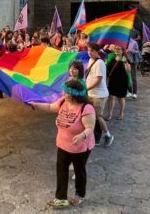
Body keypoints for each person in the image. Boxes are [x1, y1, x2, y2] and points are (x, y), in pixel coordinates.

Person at [29, 80, 95, 208]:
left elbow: (90, 127)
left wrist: (82, 135)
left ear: (75, 94)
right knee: (61, 170)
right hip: (63, 144)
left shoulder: (86, 108)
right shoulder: (63, 102)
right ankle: (61, 198)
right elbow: (49, 107)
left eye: (67, 92)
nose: (64, 93)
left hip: (80, 147)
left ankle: (79, 195)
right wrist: (35, 105)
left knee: (79, 171)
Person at [85, 42, 114, 146]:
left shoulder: (100, 63)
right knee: (92, 117)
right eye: (88, 50)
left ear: (97, 51)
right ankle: (95, 137)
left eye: (92, 51)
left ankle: (108, 135)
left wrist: (86, 88)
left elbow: (98, 80)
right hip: (91, 94)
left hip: (99, 95)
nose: (90, 53)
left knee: (98, 117)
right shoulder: (90, 60)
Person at [106, 45, 131, 120]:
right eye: (116, 49)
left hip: (122, 81)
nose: (117, 50)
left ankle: (121, 113)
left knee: (120, 98)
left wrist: (125, 62)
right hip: (112, 80)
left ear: (122, 51)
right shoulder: (111, 58)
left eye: (119, 49)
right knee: (111, 97)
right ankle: (110, 114)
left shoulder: (125, 59)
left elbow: (128, 71)